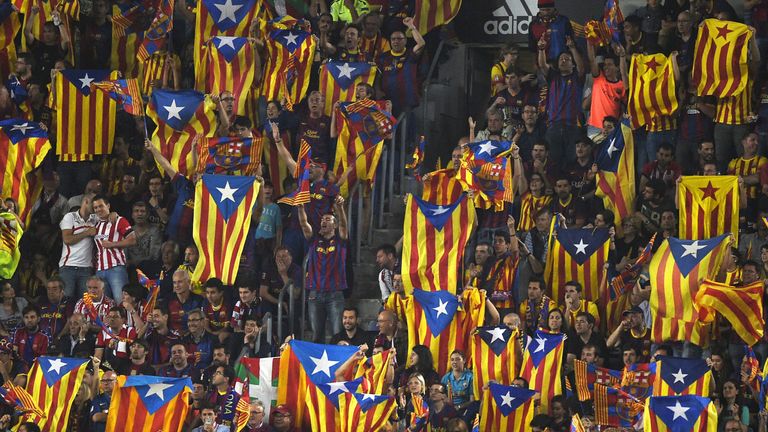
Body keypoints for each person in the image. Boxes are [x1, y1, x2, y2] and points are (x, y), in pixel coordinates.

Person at [297, 198, 348, 343]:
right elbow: (303, 224)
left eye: (328, 219)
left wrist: (340, 208)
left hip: (335, 293)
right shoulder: (313, 240)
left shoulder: (340, 240)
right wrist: (301, 208)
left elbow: (344, 224)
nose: (323, 222)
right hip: (314, 294)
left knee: (338, 334)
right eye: (322, 220)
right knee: (316, 335)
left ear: (335, 225)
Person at [92, 194, 136, 301]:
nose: (98, 209)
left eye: (101, 206)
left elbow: (133, 240)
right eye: (95, 207)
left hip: (116, 268)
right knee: (103, 304)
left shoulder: (119, 220)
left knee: (121, 301)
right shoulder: (95, 224)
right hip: (99, 271)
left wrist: (112, 244)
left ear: (108, 205)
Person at [58, 193, 99, 298]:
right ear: (85, 202)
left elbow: (109, 218)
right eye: (93, 205)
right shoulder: (70, 217)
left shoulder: (95, 219)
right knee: (65, 300)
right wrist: (87, 232)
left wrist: (113, 214)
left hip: (87, 269)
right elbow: (67, 239)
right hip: (68, 266)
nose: (95, 208)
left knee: (87, 302)